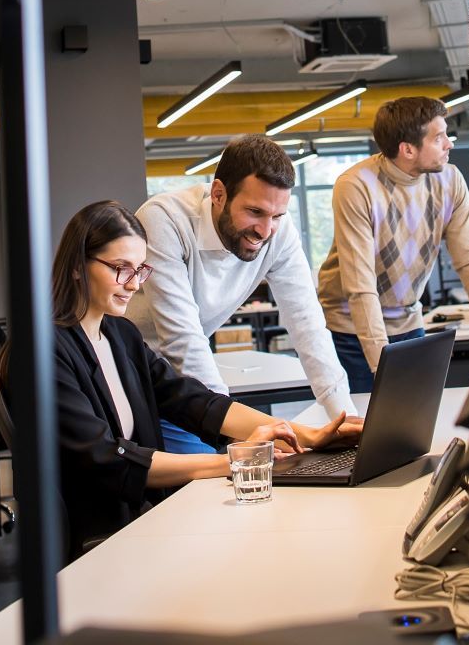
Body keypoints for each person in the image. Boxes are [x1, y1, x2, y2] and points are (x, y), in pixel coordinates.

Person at [5, 200, 360, 557]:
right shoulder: (42, 350)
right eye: (119, 268)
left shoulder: (120, 336)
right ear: (78, 266)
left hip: (141, 517)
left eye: (139, 270)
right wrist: (236, 461)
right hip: (102, 535)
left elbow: (191, 401)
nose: (132, 284)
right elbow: (108, 459)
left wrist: (307, 436)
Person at [132, 135, 357, 453]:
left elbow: (307, 323)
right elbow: (183, 340)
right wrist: (232, 430)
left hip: (191, 388)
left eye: (276, 216)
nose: (265, 231)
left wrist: (344, 418)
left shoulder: (279, 231)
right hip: (142, 377)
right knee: (217, 472)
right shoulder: (165, 220)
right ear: (218, 194)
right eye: (255, 212)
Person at [318, 96, 469, 393]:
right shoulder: (356, 186)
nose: (449, 144)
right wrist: (383, 368)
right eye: (439, 138)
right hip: (351, 330)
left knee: (418, 414)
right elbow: (360, 286)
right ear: (408, 149)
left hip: (408, 321)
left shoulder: (449, 181)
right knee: (367, 425)